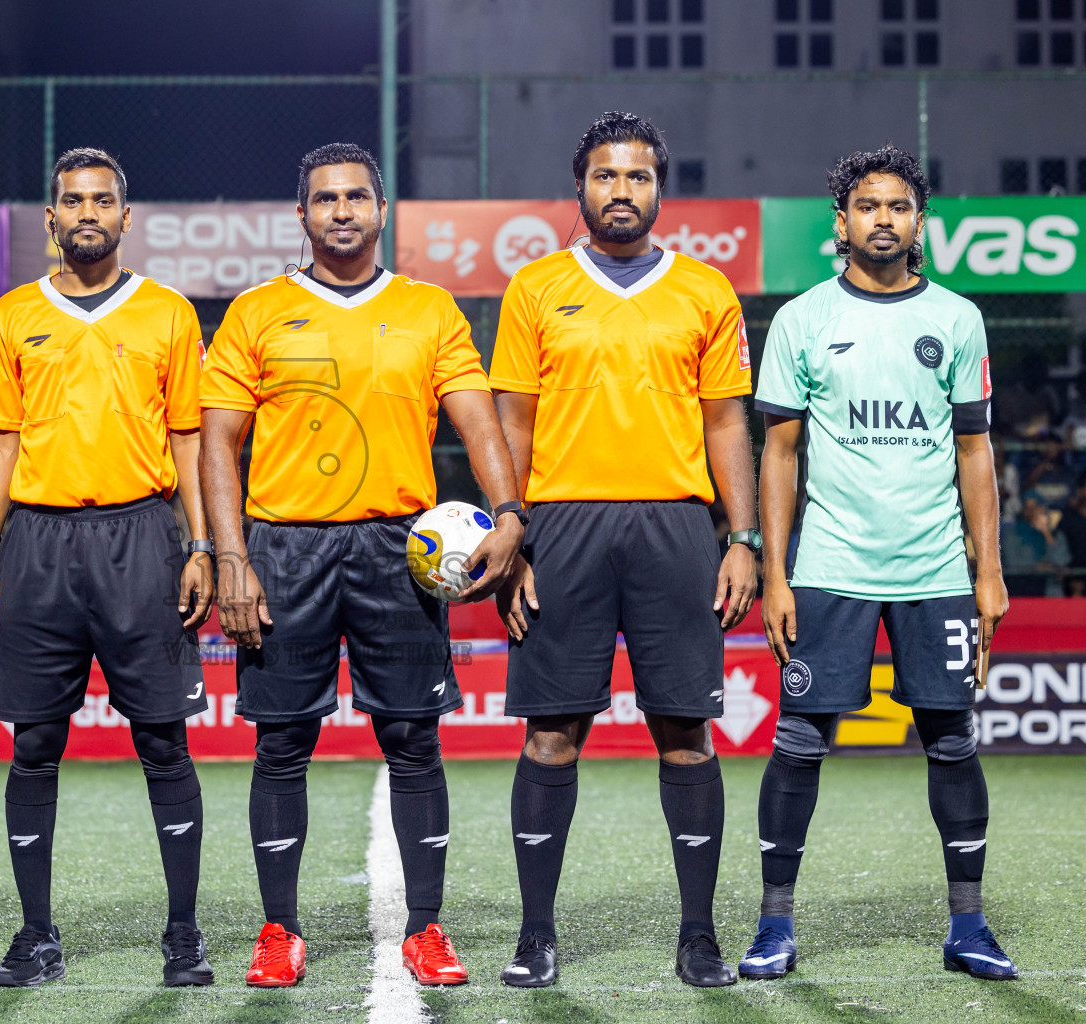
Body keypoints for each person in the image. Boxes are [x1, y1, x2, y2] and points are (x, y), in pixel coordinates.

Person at [200, 143, 524, 988]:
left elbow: (477, 421)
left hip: (398, 553)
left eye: (355, 197)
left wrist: (511, 513)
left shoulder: (429, 309)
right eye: (324, 198)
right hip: (284, 547)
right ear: (301, 215)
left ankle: (426, 929)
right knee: (281, 744)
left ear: (381, 211)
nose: (340, 210)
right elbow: (217, 444)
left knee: (413, 739)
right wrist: (231, 557)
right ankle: (279, 930)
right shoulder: (256, 312)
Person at [488, 111, 758, 989]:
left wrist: (742, 537)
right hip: (562, 526)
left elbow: (728, 423)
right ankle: (536, 935)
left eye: (638, 176)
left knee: (686, 732)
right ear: (580, 186)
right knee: (551, 735)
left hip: (675, 527)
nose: (621, 190)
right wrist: (511, 532)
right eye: (605, 175)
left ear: (659, 189)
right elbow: (513, 423)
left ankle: (698, 936)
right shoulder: (535, 287)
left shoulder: (706, 292)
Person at [748, 145, 1016, 982]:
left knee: (952, 741)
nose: (884, 219)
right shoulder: (802, 320)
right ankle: (774, 926)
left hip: (935, 571)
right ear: (842, 221)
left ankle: (968, 926)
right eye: (868, 205)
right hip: (830, 567)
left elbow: (974, 452)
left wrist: (988, 571)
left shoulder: (958, 319)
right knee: (799, 740)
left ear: (920, 223)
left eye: (899, 206)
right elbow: (778, 454)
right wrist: (776, 573)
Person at [0, 148, 215, 989]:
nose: (87, 214)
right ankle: (36, 934)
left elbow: (188, 438)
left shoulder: (169, 313)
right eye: (72, 201)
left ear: (125, 217)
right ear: (51, 218)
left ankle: (183, 933)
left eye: (102, 201)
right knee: (36, 742)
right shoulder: (13, 315)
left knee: (163, 740)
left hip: (142, 537)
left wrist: (201, 545)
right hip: (37, 543)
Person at [1002, 493, 1070, 597]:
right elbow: (1012, 562)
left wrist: (1046, 532)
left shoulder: (1056, 535)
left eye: (1035, 506)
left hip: (1048, 590)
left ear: (1043, 509)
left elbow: (1061, 562)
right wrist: (1039, 567)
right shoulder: (1011, 532)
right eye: (1027, 507)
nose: (1031, 511)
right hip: (1020, 587)